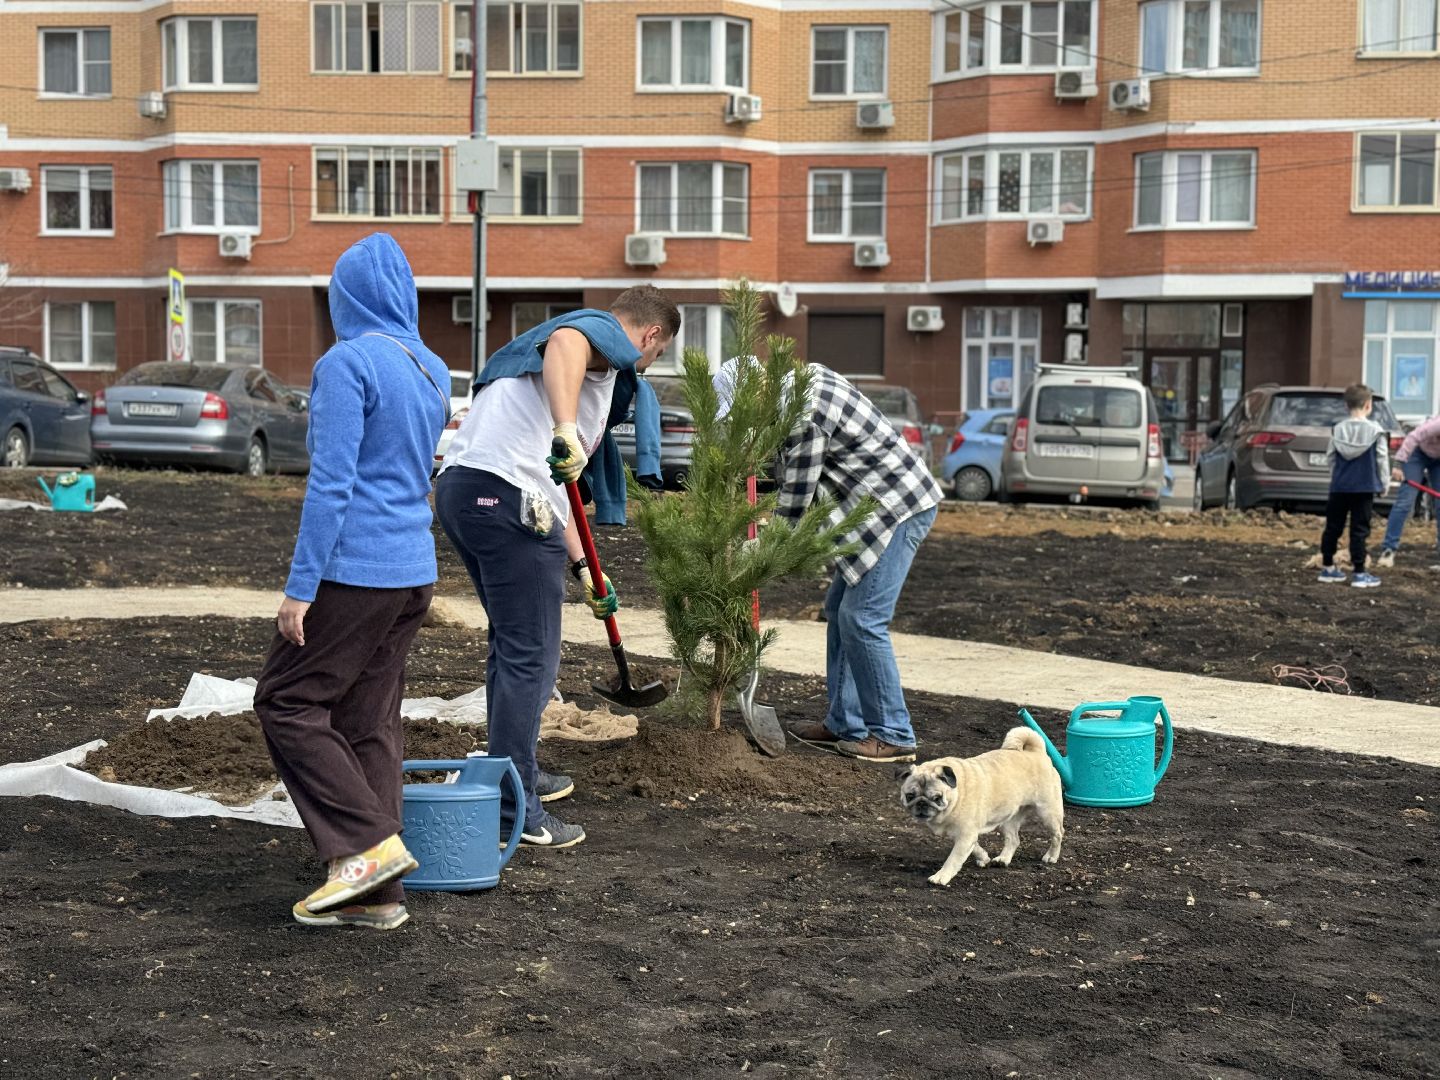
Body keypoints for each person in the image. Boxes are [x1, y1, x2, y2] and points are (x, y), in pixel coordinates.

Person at [254, 233, 452, 931]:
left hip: (355, 570)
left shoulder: (345, 363)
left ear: (347, 297)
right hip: (412, 573)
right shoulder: (430, 367)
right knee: (369, 720)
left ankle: (368, 853)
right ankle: (378, 897)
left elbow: (332, 484)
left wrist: (301, 586)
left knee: (286, 701)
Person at [435, 287, 679, 848]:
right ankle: (510, 809)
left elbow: (556, 486)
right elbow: (569, 340)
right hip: (508, 498)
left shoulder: (554, 369)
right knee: (531, 657)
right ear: (651, 337)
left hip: (467, 490)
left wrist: (583, 567)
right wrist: (567, 427)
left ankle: (516, 768)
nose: (644, 364)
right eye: (655, 356)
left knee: (513, 645)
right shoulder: (593, 334)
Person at [714, 359, 943, 764]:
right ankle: (844, 723)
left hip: (896, 509)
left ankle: (893, 733)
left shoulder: (806, 412)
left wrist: (764, 547)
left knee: (862, 618)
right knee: (840, 611)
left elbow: (796, 498)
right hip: (872, 510)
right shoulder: (801, 384)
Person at [1317, 383, 1390, 588]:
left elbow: (1330, 457)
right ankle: (1359, 572)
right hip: (1364, 486)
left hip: (1340, 486)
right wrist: (1384, 484)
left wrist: (1336, 477)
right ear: (1368, 405)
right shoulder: (1376, 431)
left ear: (1346, 405)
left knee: (1333, 526)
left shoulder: (1337, 429)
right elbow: (1382, 460)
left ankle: (1328, 567)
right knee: (1359, 529)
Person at [1376, 411, 1440, 567]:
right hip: (1418, 453)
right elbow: (1412, 437)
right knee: (1405, 501)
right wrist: (1398, 464)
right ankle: (1389, 549)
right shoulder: (1434, 425)